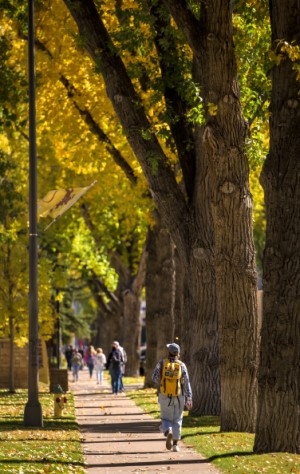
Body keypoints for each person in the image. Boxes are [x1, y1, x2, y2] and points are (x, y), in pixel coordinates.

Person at [152, 342, 192, 452]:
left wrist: (163, 381)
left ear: (168, 352)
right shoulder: (181, 365)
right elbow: (187, 382)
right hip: (179, 396)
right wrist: (189, 397)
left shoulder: (161, 363)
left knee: (165, 418)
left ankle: (168, 431)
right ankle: (175, 445)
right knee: (178, 419)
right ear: (177, 353)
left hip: (165, 395)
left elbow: (154, 378)